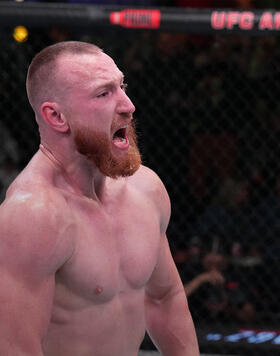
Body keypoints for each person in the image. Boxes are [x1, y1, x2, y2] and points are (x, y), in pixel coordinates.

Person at [0, 41, 199, 356]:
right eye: (103, 93)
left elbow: (164, 299)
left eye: (122, 86)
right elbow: (15, 349)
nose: (128, 105)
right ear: (56, 117)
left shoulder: (145, 189)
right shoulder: (32, 217)